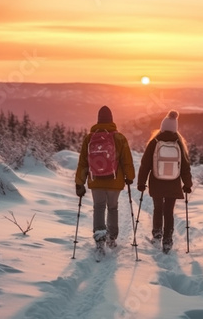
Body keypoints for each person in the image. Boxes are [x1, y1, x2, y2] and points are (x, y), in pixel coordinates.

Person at [75, 106, 135, 255]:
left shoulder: (89, 138)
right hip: (115, 181)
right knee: (112, 208)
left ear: (98, 120)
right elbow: (127, 160)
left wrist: (79, 183)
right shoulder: (119, 137)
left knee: (99, 207)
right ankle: (112, 238)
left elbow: (83, 162)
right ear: (111, 120)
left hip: (96, 181)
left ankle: (100, 237)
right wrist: (130, 177)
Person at [137, 110, 192, 254]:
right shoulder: (179, 143)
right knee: (169, 212)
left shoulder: (154, 142)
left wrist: (141, 182)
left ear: (162, 127)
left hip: (156, 181)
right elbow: (185, 167)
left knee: (158, 209)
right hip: (173, 183)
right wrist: (187, 184)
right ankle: (167, 240)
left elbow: (145, 164)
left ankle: (157, 235)